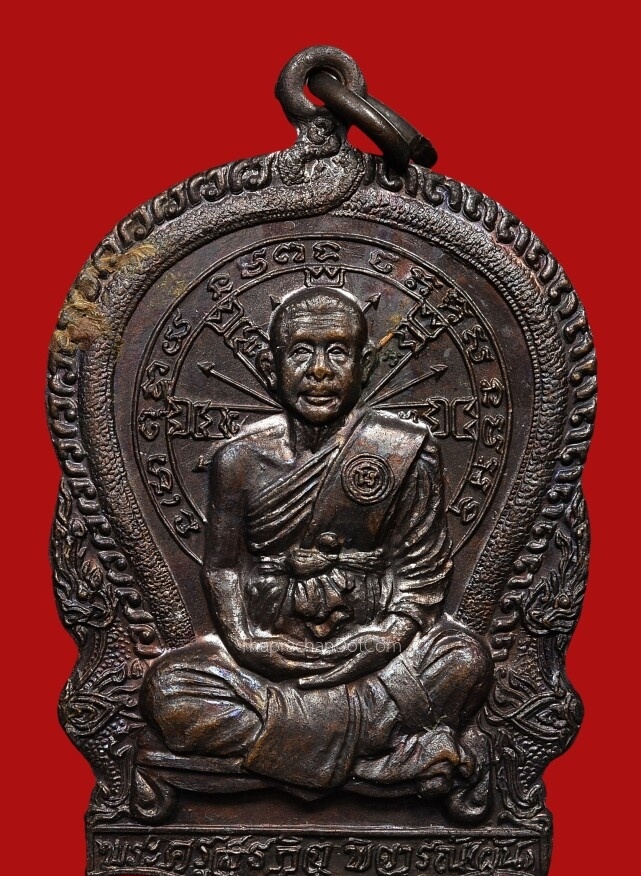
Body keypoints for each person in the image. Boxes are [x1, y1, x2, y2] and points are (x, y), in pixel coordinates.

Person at [141, 286, 493, 817]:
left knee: (464, 659)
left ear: (365, 366)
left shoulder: (402, 452)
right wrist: (243, 641)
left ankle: (303, 746)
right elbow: (223, 567)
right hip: (269, 664)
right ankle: (377, 754)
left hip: (374, 657)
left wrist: (388, 637)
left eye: (338, 352)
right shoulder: (238, 461)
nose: (320, 371)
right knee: (169, 690)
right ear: (272, 367)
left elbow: (421, 573)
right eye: (301, 351)